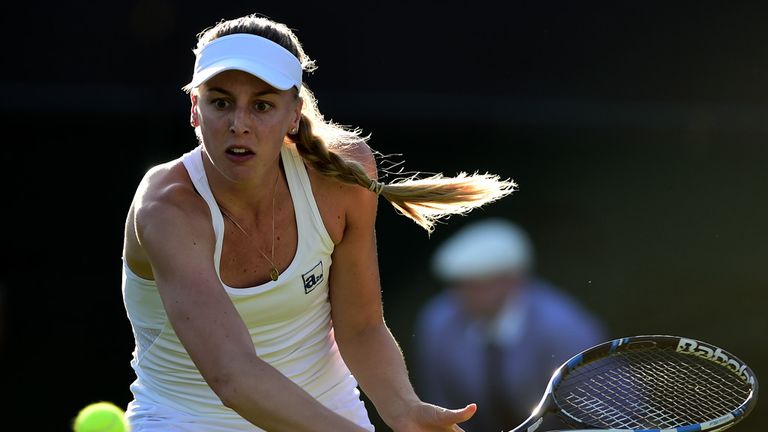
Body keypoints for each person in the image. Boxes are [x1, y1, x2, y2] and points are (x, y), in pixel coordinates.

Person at [120, 13, 516, 432]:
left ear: (293, 114)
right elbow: (232, 374)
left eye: (262, 105)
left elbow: (361, 327)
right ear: (195, 111)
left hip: (328, 408)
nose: (239, 124)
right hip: (184, 421)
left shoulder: (341, 175)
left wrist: (404, 409)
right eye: (221, 103)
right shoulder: (166, 208)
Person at [413, 218, 607, 432]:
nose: (461, 295)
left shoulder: (565, 329)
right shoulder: (438, 323)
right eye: (458, 284)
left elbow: (597, 412)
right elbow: (441, 403)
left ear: (511, 280)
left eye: (476, 285)